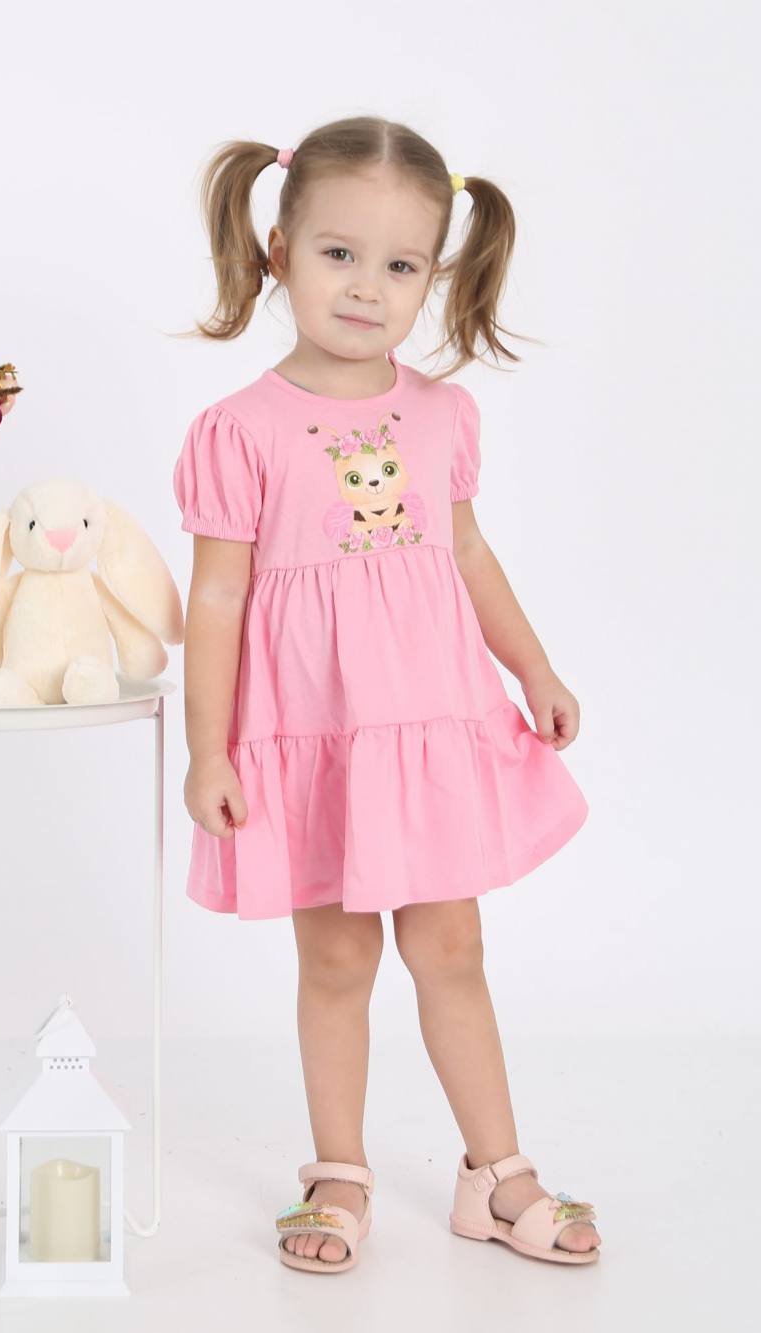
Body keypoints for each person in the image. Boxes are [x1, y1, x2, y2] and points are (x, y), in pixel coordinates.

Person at [171, 115, 601, 1274]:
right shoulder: (237, 432)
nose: (367, 287)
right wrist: (209, 750)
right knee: (335, 959)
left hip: (428, 730)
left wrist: (533, 666)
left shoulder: (441, 415)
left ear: (433, 276)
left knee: (451, 946)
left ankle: (495, 1173)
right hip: (313, 739)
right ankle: (339, 1169)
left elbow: (466, 554)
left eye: (400, 264)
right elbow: (216, 598)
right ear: (278, 252)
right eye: (338, 254)